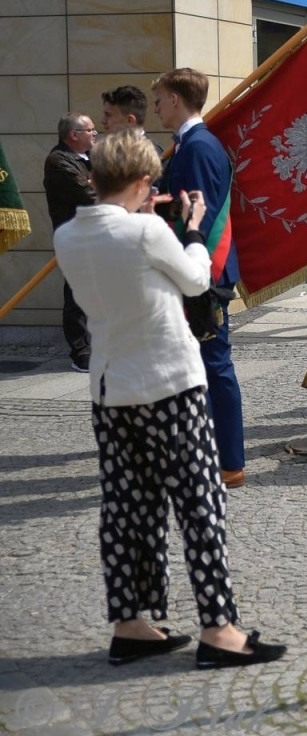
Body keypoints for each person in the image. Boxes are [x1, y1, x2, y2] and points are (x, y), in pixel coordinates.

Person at [53, 130, 286, 670]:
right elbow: (197, 279)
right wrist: (196, 228)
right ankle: (219, 628)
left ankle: (131, 622)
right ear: (142, 181)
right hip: (168, 385)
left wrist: (147, 214)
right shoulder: (145, 232)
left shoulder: (69, 236)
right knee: (199, 503)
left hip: (111, 389)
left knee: (127, 506)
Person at [152, 68, 247, 488]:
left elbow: (199, 215)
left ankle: (228, 462)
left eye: (159, 99)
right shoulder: (189, 145)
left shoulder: (197, 148)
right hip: (197, 269)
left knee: (214, 366)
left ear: (175, 99)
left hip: (203, 273)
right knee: (201, 366)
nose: (155, 106)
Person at [44, 113, 97, 371]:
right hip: (75, 238)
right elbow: (88, 194)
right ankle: (80, 353)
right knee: (77, 296)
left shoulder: (91, 157)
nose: (95, 133)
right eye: (90, 130)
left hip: (97, 234)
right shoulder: (58, 161)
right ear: (73, 135)